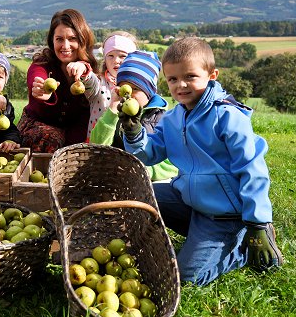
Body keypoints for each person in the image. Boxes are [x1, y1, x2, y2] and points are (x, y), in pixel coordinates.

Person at [119, 37, 283, 285]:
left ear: (212, 75)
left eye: (190, 76)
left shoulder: (228, 116)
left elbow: (252, 169)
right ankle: (190, 238)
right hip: (191, 203)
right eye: (173, 79)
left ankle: (240, 249)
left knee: (187, 277)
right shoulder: (174, 118)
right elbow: (150, 153)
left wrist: (257, 221)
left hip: (224, 216)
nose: (181, 85)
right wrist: (134, 133)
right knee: (139, 196)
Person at [89, 50, 178, 181]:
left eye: (135, 89)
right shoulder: (117, 114)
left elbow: (173, 166)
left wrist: (144, 170)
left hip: (149, 184)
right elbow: (96, 146)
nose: (128, 94)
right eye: (123, 88)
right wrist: (112, 110)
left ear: (149, 92)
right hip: (115, 179)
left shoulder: (163, 119)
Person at [18, 9, 97, 153]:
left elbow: (85, 117)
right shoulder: (42, 65)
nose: (65, 46)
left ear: (82, 40)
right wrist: (42, 89)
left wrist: (84, 70)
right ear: (52, 40)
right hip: (38, 127)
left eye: (72, 39)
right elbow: (36, 76)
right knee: (49, 137)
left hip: (74, 129)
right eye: (59, 39)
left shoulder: (88, 71)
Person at [84, 31, 137, 141]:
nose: (116, 61)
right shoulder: (100, 83)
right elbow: (89, 81)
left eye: (122, 56)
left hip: (126, 146)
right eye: (110, 56)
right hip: (99, 143)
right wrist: (83, 71)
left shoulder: (137, 87)